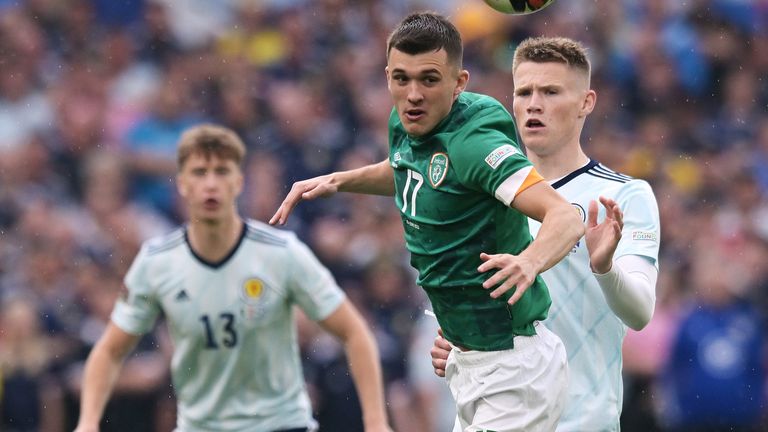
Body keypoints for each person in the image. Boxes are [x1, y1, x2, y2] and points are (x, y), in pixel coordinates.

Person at [270, 12, 584, 432]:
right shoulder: (406, 124)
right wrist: (339, 180)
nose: (413, 94)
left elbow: (565, 216)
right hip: (467, 361)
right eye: (402, 79)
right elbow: (409, 169)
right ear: (388, 77)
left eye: (429, 80)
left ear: (459, 83)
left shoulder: (476, 144)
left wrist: (529, 261)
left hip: (515, 368)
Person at [74, 124, 391, 432]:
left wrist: (376, 422)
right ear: (182, 185)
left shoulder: (281, 253)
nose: (211, 184)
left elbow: (354, 331)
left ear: (239, 182)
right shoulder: (157, 262)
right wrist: (88, 422)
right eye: (200, 173)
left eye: (222, 172)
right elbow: (109, 350)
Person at [430, 36, 662, 432]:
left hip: (579, 422)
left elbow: (640, 313)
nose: (534, 104)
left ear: (586, 103)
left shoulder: (622, 196)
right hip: (490, 417)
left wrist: (605, 268)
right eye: (524, 92)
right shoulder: (482, 194)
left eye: (551, 92)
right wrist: (458, 345)